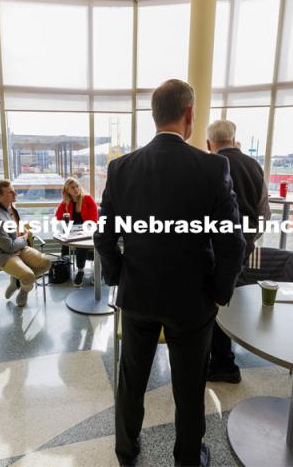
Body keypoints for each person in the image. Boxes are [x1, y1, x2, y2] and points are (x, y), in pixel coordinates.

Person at [94, 79, 245, 466]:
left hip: (138, 296)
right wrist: (217, 292)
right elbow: (232, 243)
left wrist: (117, 278)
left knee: (131, 379)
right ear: (189, 115)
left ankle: (126, 451)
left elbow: (104, 236)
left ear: (154, 116)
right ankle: (187, 458)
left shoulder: (121, 168)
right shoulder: (213, 168)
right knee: (189, 385)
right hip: (192, 301)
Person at [206, 120, 271, 383]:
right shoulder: (254, 167)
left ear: (210, 144)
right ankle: (226, 355)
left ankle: (222, 362)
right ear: (234, 140)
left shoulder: (209, 166)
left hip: (214, 248)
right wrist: (249, 240)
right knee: (231, 297)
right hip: (243, 246)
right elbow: (264, 212)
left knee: (214, 304)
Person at [0, 179, 51, 307]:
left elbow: (13, 230)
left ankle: (17, 282)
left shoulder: (9, 207)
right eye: (10, 193)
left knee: (46, 263)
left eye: (14, 191)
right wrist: (24, 237)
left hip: (16, 246)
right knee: (29, 276)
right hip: (1, 253)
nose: (15, 195)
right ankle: (24, 287)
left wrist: (20, 230)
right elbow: (8, 247)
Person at [55, 177, 98, 286]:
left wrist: (84, 229)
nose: (75, 189)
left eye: (77, 186)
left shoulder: (88, 199)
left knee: (80, 245)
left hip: (88, 230)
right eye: (72, 188)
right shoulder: (67, 202)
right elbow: (58, 216)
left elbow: (94, 219)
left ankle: (80, 270)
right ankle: (65, 268)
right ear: (67, 190)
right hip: (73, 231)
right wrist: (64, 201)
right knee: (65, 243)